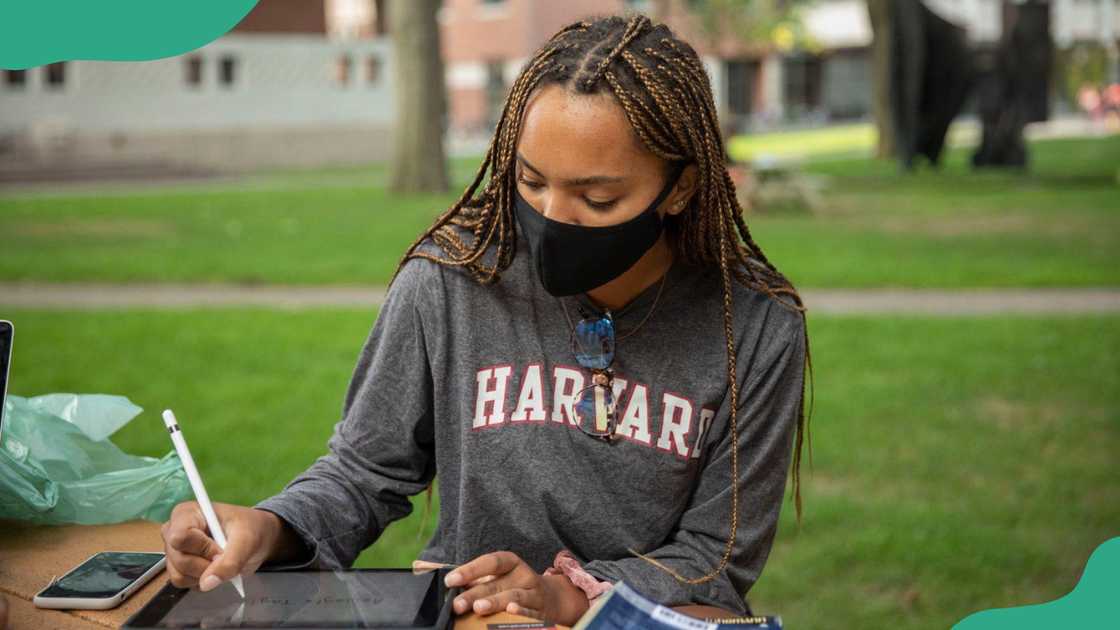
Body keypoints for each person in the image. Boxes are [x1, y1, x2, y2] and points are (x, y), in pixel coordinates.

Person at [160, 14, 812, 627]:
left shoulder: (754, 329)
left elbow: (714, 557)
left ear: (681, 186)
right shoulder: (449, 281)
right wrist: (271, 528)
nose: (555, 215)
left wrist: (563, 595)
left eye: (597, 196)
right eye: (530, 182)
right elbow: (364, 472)